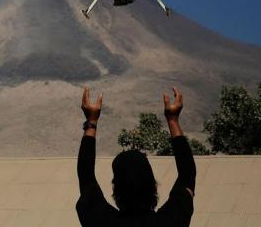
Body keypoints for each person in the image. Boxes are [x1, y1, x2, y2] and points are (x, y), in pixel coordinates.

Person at [76, 87, 196, 226]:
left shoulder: (101, 220)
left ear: (115, 190)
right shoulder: (171, 220)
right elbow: (187, 175)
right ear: (154, 186)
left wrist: (91, 122)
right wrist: (173, 120)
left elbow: (86, 177)